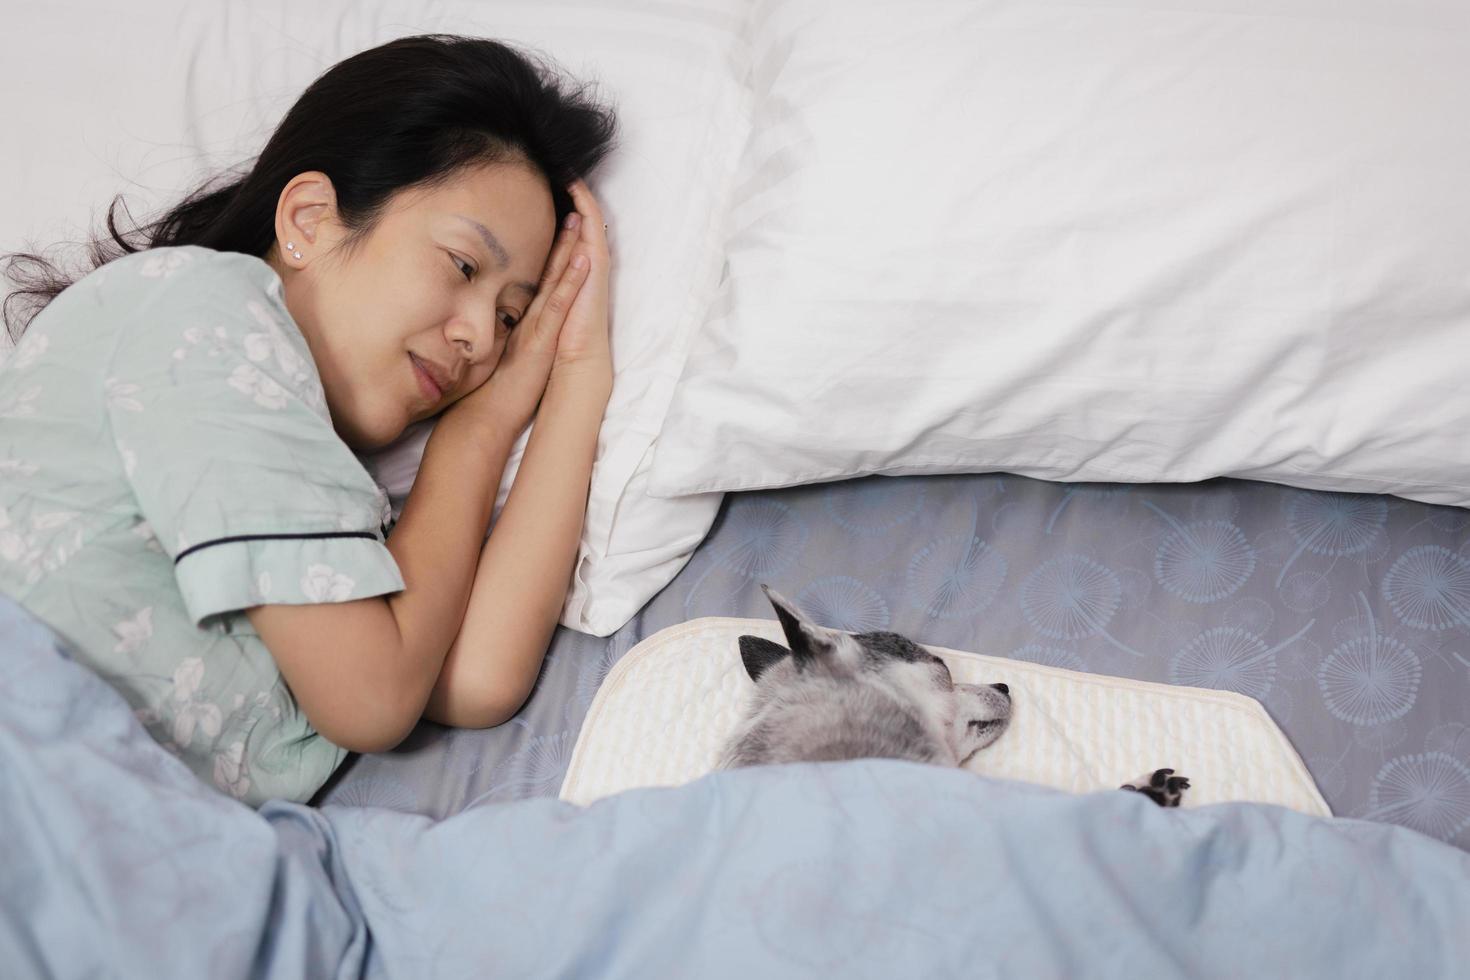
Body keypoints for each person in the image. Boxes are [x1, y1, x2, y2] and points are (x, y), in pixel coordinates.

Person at [0, 34, 618, 805]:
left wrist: (578, 377)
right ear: (310, 218)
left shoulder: (316, 487)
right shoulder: (199, 310)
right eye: (462, 265)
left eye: (511, 315)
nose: (482, 339)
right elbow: (376, 695)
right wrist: (474, 436)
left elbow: (473, 676)